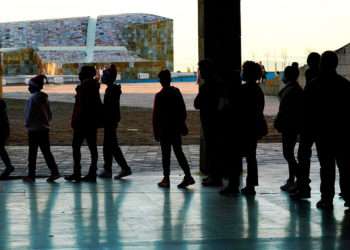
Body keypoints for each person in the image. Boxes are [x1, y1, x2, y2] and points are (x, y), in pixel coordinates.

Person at [304, 51, 350, 210]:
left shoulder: (313, 85)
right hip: (342, 133)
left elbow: (308, 113)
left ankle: (327, 199)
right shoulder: (345, 84)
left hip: (322, 134)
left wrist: (307, 135)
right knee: (345, 167)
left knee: (327, 168)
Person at [153, 69, 195, 188]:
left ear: (160, 81)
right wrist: (182, 124)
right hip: (175, 129)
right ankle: (188, 175)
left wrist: (156, 132)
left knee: (166, 155)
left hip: (164, 130)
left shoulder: (159, 96)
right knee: (179, 152)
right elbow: (182, 110)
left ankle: (166, 178)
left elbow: (156, 117)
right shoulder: (176, 92)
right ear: (170, 79)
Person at [65, 66, 102, 183]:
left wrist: (76, 120)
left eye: (81, 73)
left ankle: (78, 172)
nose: (79, 75)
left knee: (77, 147)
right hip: (90, 122)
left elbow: (81, 108)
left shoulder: (84, 88)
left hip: (83, 122)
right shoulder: (91, 87)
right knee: (92, 148)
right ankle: (91, 172)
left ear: (86, 75)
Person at [291, 52, 321, 199]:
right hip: (325, 125)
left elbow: (305, 105)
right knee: (328, 162)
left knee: (303, 156)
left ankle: (303, 186)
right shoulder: (341, 84)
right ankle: (330, 196)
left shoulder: (311, 85)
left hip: (309, 124)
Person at [23, 75, 61, 183]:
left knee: (32, 153)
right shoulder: (45, 98)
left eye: (30, 86)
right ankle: (54, 171)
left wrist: (27, 124)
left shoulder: (32, 99)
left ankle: (31, 175)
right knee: (46, 151)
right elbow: (49, 114)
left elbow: (29, 114)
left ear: (34, 87)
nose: (28, 88)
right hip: (44, 129)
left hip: (34, 130)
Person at [98, 65, 131, 179]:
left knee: (111, 146)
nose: (102, 77)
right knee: (109, 146)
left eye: (104, 75)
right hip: (111, 120)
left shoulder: (112, 90)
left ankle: (122, 168)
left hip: (110, 121)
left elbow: (108, 107)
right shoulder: (112, 89)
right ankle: (111, 169)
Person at [275, 65, 303, 192]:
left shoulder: (292, 90)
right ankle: (293, 179)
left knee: (288, 154)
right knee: (289, 153)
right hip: (290, 126)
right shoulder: (294, 88)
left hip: (289, 126)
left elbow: (287, 110)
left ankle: (299, 179)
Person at [239, 61, 266, 195]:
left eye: (243, 70)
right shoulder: (257, 90)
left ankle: (236, 184)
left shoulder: (243, 90)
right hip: (253, 128)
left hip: (244, 128)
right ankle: (251, 185)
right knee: (251, 157)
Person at [194, 60, 222, 187]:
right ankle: (214, 176)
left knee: (212, 150)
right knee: (215, 150)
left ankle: (214, 177)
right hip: (216, 122)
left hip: (210, 123)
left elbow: (197, 104)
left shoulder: (206, 87)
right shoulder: (217, 85)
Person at [0, 98, 14, 178]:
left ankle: (9, 166)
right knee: (1, 149)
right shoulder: (1, 102)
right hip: (4, 130)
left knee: (1, 149)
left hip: (1, 130)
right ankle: (9, 166)